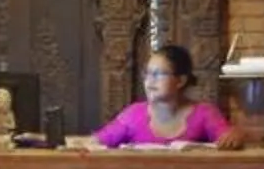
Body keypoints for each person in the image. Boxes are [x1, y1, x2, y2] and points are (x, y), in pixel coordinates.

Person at [87, 44, 231, 148]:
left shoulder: (205, 113)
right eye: (147, 73)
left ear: (180, 80)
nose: (150, 80)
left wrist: (234, 138)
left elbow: (227, 137)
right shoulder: (133, 114)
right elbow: (96, 143)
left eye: (158, 74)